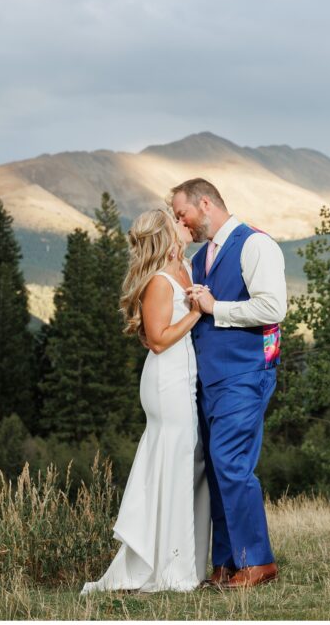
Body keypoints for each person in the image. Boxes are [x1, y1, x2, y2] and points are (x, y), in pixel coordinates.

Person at [81, 208, 211, 594]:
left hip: (185, 379)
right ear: (164, 235)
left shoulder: (183, 265)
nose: (182, 224)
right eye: (174, 222)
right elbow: (156, 341)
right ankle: (171, 570)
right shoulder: (157, 281)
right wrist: (196, 314)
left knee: (186, 462)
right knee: (174, 463)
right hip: (166, 382)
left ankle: (177, 559)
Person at [170, 178, 286, 589]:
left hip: (245, 372)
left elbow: (273, 306)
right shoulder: (203, 257)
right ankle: (226, 564)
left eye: (182, 213)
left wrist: (215, 306)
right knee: (217, 470)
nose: (180, 221)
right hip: (210, 380)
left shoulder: (255, 244)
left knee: (232, 464)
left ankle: (258, 561)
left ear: (205, 203)